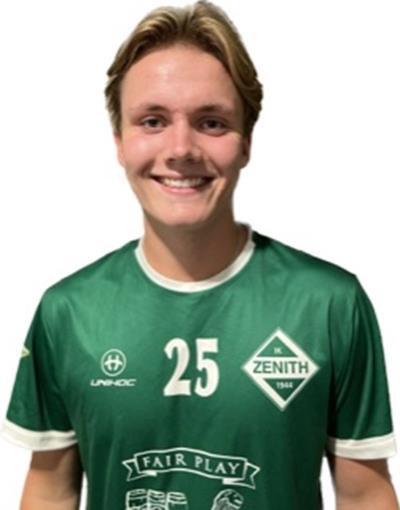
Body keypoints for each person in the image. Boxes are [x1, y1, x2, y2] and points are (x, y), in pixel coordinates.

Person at [1, 1, 398, 509]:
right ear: (119, 141)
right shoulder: (68, 312)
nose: (181, 148)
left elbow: (365, 496)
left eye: (211, 122)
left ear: (246, 141)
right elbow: (50, 492)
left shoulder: (327, 304)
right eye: (152, 121)